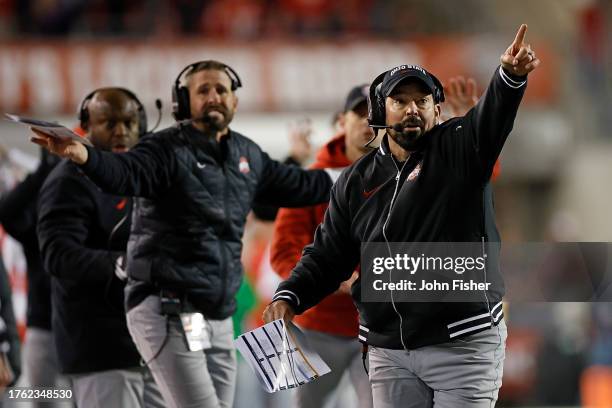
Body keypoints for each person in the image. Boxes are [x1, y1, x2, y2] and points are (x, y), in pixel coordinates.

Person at [264, 24, 540, 407]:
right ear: (381, 111)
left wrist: (510, 77)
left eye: (423, 100)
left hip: (461, 342)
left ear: (437, 110)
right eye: (401, 100)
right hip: (388, 349)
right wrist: (289, 295)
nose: (413, 108)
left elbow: (491, 122)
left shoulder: (459, 149)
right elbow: (328, 254)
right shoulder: (353, 181)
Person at [31, 60, 334, 408]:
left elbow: (296, 186)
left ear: (235, 100)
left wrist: (370, 168)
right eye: (202, 90)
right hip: (135, 325)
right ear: (181, 102)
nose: (213, 97)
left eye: (221, 89)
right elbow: (120, 174)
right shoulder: (159, 152)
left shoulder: (244, 153)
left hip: (215, 316)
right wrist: (84, 157)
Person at [37, 88, 164, 408]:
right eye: (108, 122)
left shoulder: (146, 176)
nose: (121, 131)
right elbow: (58, 254)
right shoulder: (70, 180)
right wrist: (125, 264)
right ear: (87, 127)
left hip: (156, 344)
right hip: (103, 348)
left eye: (129, 122)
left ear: (143, 125)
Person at [270, 84, 374, 408]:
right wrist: (328, 282)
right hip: (317, 326)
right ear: (341, 122)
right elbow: (282, 252)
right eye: (361, 112)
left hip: (377, 327)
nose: (370, 120)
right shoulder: (313, 180)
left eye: (377, 111)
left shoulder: (402, 176)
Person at [0, 148, 60, 399]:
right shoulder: (39, 230)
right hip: (44, 329)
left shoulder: (93, 223)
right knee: (46, 401)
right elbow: (7, 212)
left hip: (85, 333)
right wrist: (41, 172)